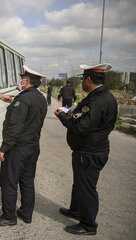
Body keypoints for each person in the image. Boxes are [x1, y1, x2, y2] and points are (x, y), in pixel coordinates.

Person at [54, 63, 117, 235]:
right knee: (80, 184)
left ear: (88, 79)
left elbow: (81, 127)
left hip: (89, 151)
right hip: (91, 149)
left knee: (87, 188)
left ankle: (88, 225)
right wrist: (71, 114)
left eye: (82, 79)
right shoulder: (103, 96)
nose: (81, 82)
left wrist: (62, 116)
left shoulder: (98, 100)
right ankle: (75, 210)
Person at [0, 65, 47, 226]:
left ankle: (9, 217)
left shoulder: (23, 99)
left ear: (27, 81)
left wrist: (4, 148)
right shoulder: (40, 98)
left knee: (9, 182)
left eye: (22, 79)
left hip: (18, 149)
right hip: (33, 147)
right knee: (27, 182)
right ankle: (26, 214)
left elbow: (14, 127)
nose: (20, 81)